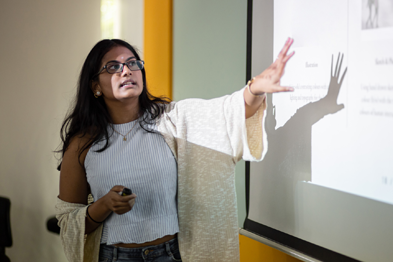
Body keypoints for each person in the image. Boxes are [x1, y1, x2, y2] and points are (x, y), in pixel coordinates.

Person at [56, 38, 295, 262]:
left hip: (170, 254)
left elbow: (229, 112)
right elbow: (68, 221)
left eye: (132, 63)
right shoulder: (83, 143)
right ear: (96, 86)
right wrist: (104, 205)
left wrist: (255, 89)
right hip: (114, 256)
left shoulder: (173, 119)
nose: (126, 70)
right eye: (113, 66)